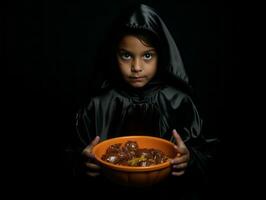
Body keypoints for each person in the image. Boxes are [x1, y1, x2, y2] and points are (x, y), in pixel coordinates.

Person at [68, 3, 218, 199]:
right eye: (126, 56)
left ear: (161, 56)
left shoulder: (179, 102)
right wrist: (82, 161)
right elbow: (71, 153)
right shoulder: (97, 104)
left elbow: (207, 155)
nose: (136, 67)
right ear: (114, 55)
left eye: (147, 55)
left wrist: (189, 159)